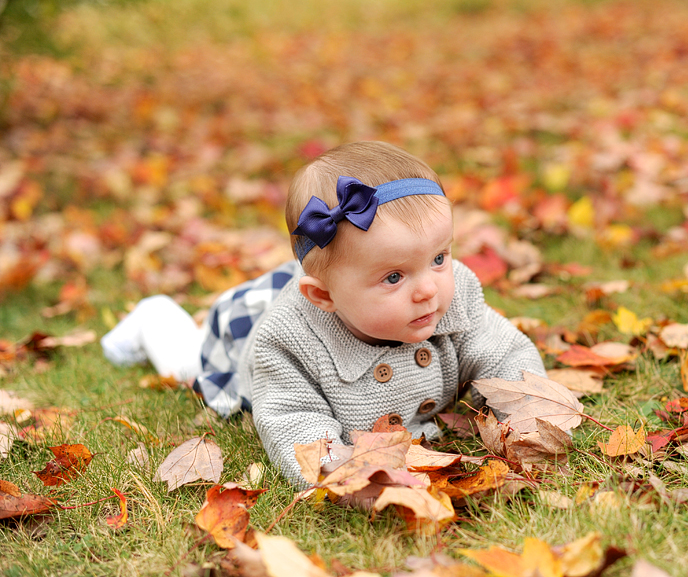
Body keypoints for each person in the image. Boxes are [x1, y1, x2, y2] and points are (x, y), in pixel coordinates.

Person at [103, 141, 547, 488]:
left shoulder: (452, 295)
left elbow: (505, 352)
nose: (428, 288)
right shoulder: (287, 342)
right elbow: (294, 420)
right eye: (394, 277)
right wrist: (348, 473)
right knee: (187, 363)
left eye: (438, 257)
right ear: (324, 296)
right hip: (245, 330)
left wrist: (526, 416)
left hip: (329, 287)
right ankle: (154, 317)